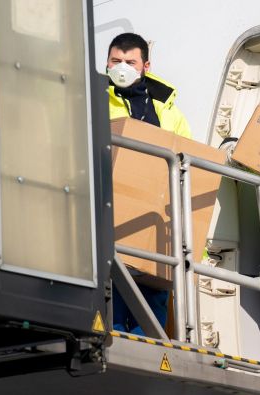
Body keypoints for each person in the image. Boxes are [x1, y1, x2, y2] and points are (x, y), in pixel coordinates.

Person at [107, 32, 191, 334]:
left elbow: (188, 165)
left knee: (152, 315)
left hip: (157, 226)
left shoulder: (169, 111)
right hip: (111, 220)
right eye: (116, 61)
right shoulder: (94, 100)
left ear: (146, 65)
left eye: (130, 61)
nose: (122, 67)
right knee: (111, 310)